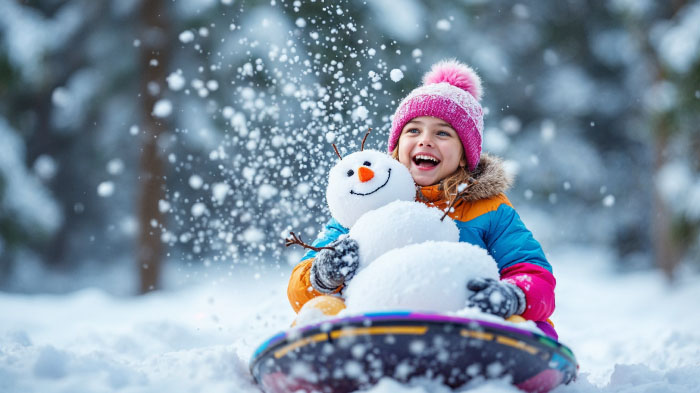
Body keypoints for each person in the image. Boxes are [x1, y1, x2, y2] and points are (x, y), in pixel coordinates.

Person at [287, 59, 557, 339]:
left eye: (442, 133)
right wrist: (324, 275)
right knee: (322, 309)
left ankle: (519, 358)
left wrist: (511, 295)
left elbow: (535, 275)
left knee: (517, 324)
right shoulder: (369, 199)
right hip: (378, 321)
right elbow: (297, 290)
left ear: (465, 154)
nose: (425, 140)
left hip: (462, 325)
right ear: (397, 146)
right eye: (413, 130)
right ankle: (313, 352)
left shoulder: (489, 208)